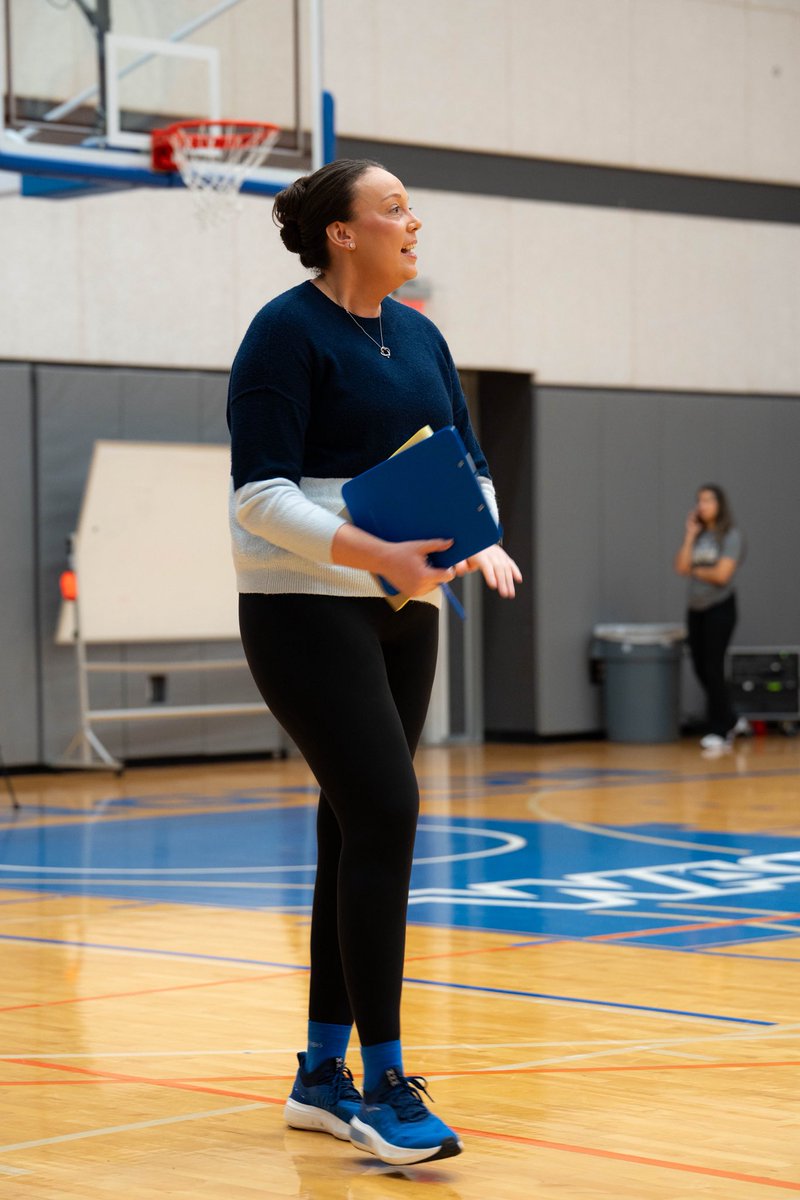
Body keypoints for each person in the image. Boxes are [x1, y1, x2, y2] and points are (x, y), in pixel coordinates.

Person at [227, 158, 521, 1166]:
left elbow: (461, 457)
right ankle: (383, 1085)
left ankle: (319, 1071)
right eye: (392, 207)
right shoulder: (283, 331)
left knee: (351, 823)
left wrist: (477, 535)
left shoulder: (422, 336)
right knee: (388, 811)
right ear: (340, 233)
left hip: (403, 606)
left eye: (409, 205)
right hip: (305, 607)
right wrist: (374, 550)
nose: (413, 220)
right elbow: (257, 497)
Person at [674, 484, 746, 749]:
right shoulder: (699, 536)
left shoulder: (730, 536)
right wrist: (690, 535)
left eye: (707, 500)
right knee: (699, 666)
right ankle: (732, 718)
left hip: (720, 607)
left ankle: (721, 729)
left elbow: (721, 576)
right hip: (696, 608)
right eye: (699, 501)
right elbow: (680, 566)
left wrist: (696, 569)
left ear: (719, 504)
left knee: (714, 667)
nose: (701, 505)